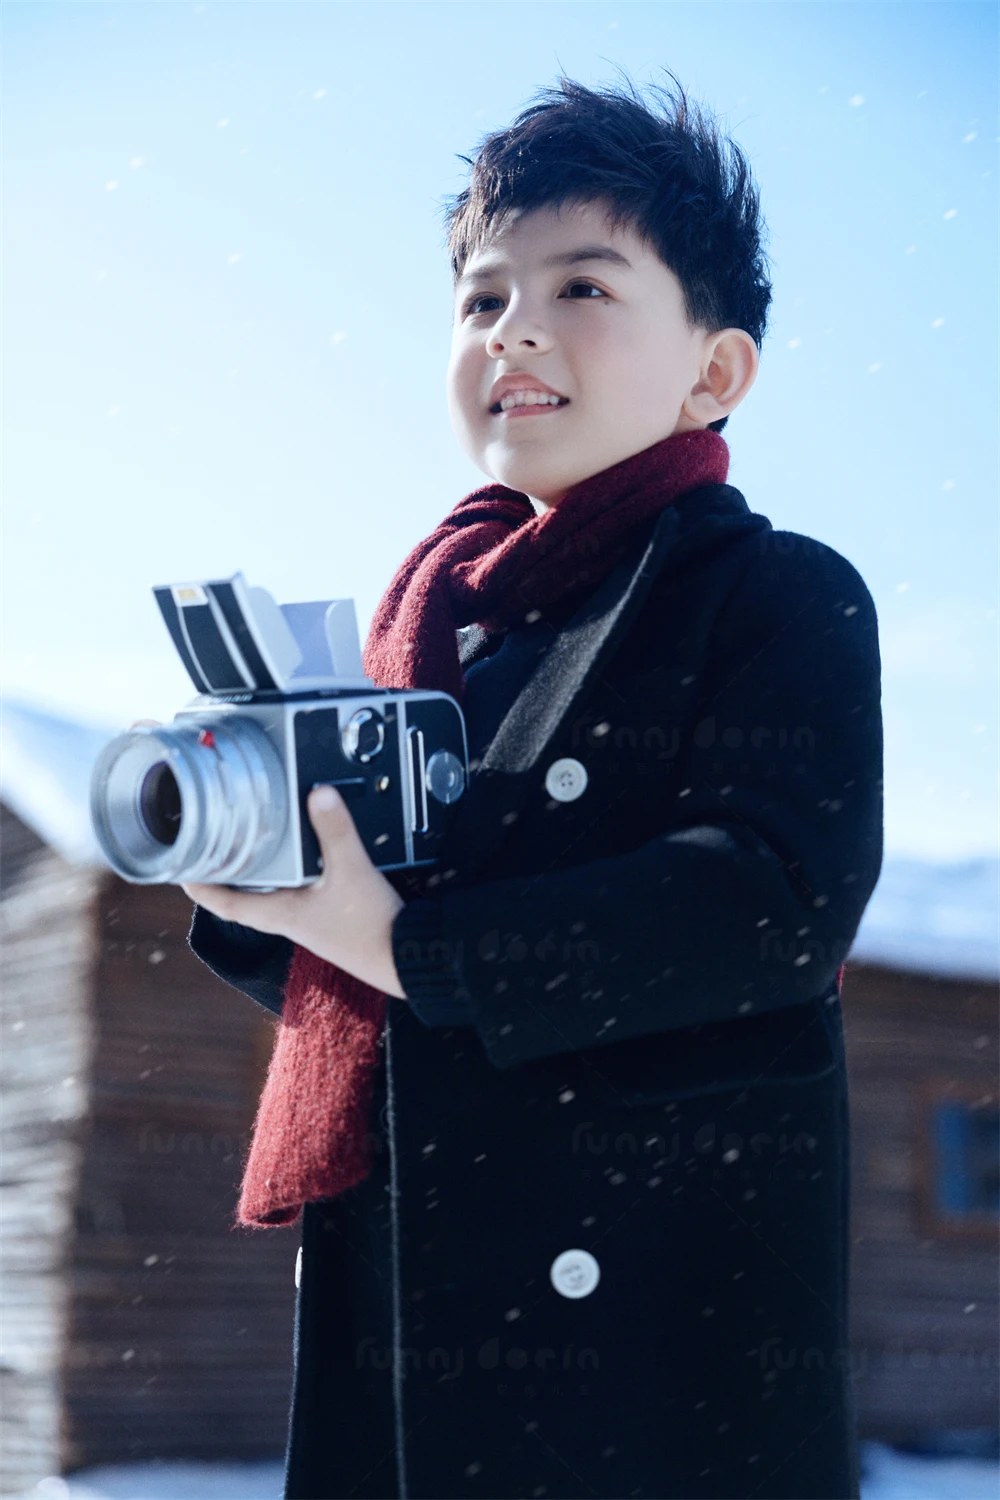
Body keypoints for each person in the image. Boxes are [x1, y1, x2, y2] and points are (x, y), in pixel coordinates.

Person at [182, 70, 882, 1500]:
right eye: (482, 297)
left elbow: (768, 905)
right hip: (411, 1298)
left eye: (582, 285)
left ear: (716, 370)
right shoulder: (430, 637)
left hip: (652, 1330)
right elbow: (394, 998)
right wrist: (275, 893)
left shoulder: (775, 595)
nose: (515, 330)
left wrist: (405, 941)